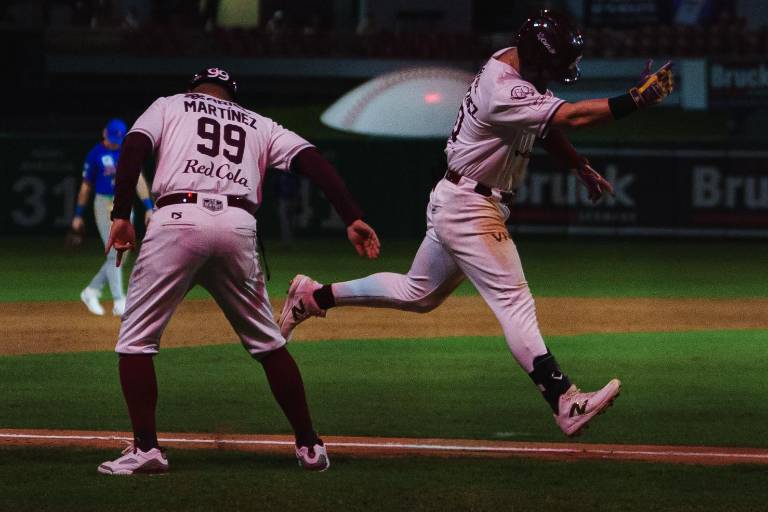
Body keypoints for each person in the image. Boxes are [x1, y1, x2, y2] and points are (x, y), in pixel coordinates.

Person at [279, 10, 673, 437]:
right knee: (514, 302)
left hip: (460, 197)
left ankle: (313, 296)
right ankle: (564, 400)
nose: (562, 73)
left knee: (419, 293)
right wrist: (635, 100)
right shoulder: (502, 88)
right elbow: (571, 117)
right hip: (471, 205)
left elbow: (540, 126)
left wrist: (578, 165)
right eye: (557, 64)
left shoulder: (509, 60)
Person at [97, 67, 380, 475]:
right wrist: (351, 216)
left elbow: (134, 147)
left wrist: (121, 214)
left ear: (195, 89)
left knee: (136, 342)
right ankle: (310, 446)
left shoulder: (171, 104)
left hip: (177, 217)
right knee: (268, 343)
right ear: (232, 96)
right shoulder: (258, 122)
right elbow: (313, 161)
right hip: (237, 223)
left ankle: (147, 451)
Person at [73, 118, 154, 317]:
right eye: (111, 137)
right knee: (114, 252)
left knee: (122, 253)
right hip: (103, 203)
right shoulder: (95, 154)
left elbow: (139, 181)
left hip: (124, 204)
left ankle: (91, 291)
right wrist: (78, 214)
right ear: (104, 133)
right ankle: (119, 301)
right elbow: (86, 186)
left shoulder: (128, 154)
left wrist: (148, 207)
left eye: (117, 139)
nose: (114, 142)